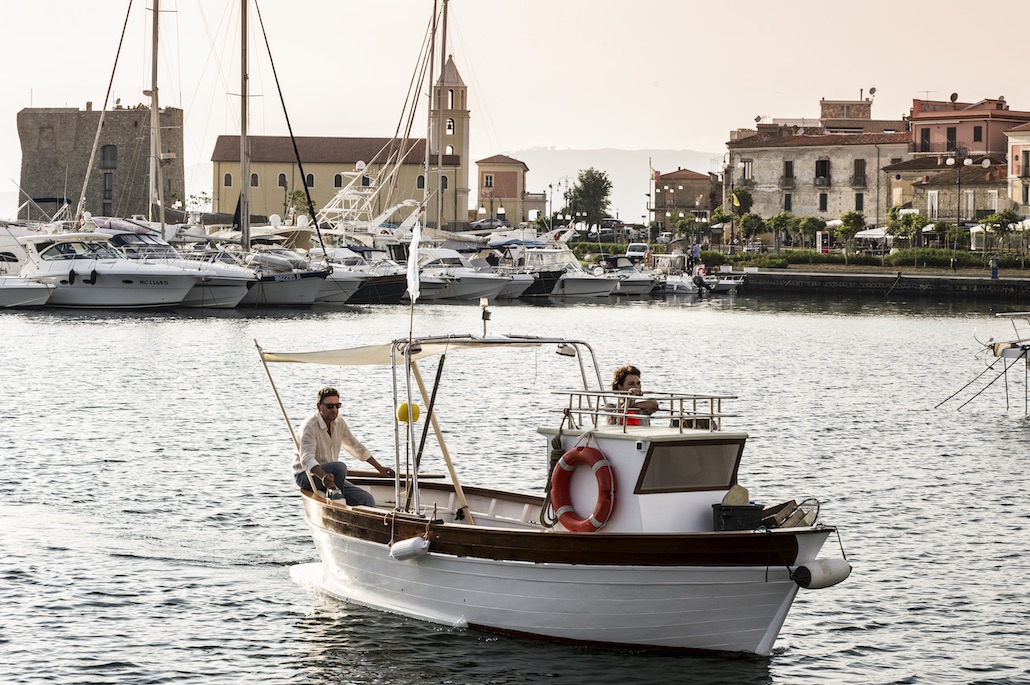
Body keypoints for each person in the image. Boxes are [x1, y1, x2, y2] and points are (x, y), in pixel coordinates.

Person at [292, 386, 395, 506]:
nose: (334, 409)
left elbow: (355, 446)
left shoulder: (339, 422)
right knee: (339, 467)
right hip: (307, 476)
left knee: (367, 499)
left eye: (337, 406)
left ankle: (349, 514)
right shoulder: (309, 426)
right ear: (319, 407)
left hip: (330, 476)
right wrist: (323, 476)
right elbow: (307, 459)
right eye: (330, 406)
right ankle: (336, 498)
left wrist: (379, 468)